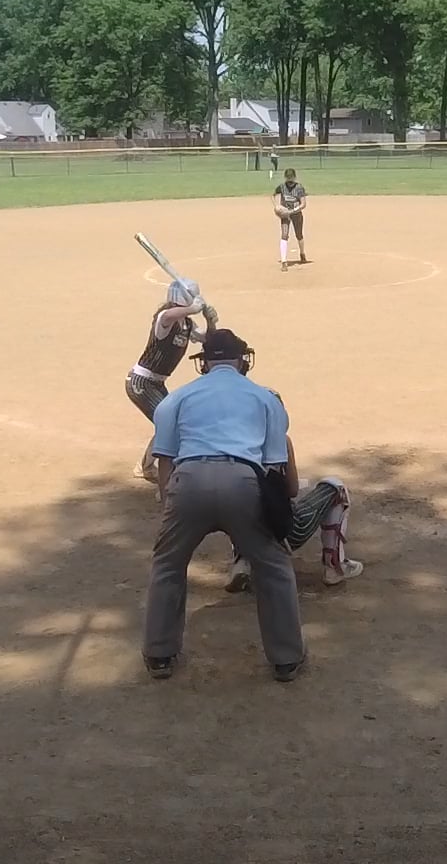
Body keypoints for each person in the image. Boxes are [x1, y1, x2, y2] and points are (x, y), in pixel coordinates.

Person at [143, 329, 306, 683]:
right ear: (242, 360)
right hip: (243, 482)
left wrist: (169, 505)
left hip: (188, 480)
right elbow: (274, 467)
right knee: (274, 566)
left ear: (204, 363)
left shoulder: (177, 398)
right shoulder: (265, 398)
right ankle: (286, 659)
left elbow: (164, 460)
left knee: (168, 563)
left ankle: (159, 654)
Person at [224, 438, 364, 593]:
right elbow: (293, 490)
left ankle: (242, 561)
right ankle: (335, 566)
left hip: (243, 530)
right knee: (335, 486)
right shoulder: (280, 439)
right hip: (285, 532)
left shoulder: (230, 440)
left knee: (238, 502)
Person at [126, 278, 218, 481]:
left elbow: (207, 340)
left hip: (157, 384)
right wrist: (193, 308)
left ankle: (145, 466)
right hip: (141, 382)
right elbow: (167, 315)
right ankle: (152, 469)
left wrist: (210, 321)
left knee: (172, 421)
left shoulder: (186, 323)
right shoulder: (165, 318)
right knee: (171, 424)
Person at [274, 168, 308, 271]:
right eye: (288, 178)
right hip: (285, 215)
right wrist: (277, 207)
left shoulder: (299, 188)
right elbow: (273, 195)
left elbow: (303, 204)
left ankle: (302, 253)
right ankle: (284, 262)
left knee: (299, 235)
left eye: (291, 178)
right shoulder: (282, 187)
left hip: (296, 214)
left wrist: (292, 211)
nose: (289, 180)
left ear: (294, 177)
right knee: (284, 235)